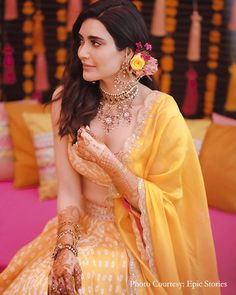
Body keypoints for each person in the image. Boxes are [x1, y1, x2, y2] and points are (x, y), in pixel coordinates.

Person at [0, 0, 220, 294]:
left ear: (128, 52)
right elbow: (68, 190)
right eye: (80, 41)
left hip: (132, 238)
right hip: (77, 227)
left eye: (95, 42)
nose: (82, 52)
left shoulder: (160, 112)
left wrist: (108, 162)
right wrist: (66, 248)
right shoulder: (66, 100)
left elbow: (165, 205)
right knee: (38, 284)